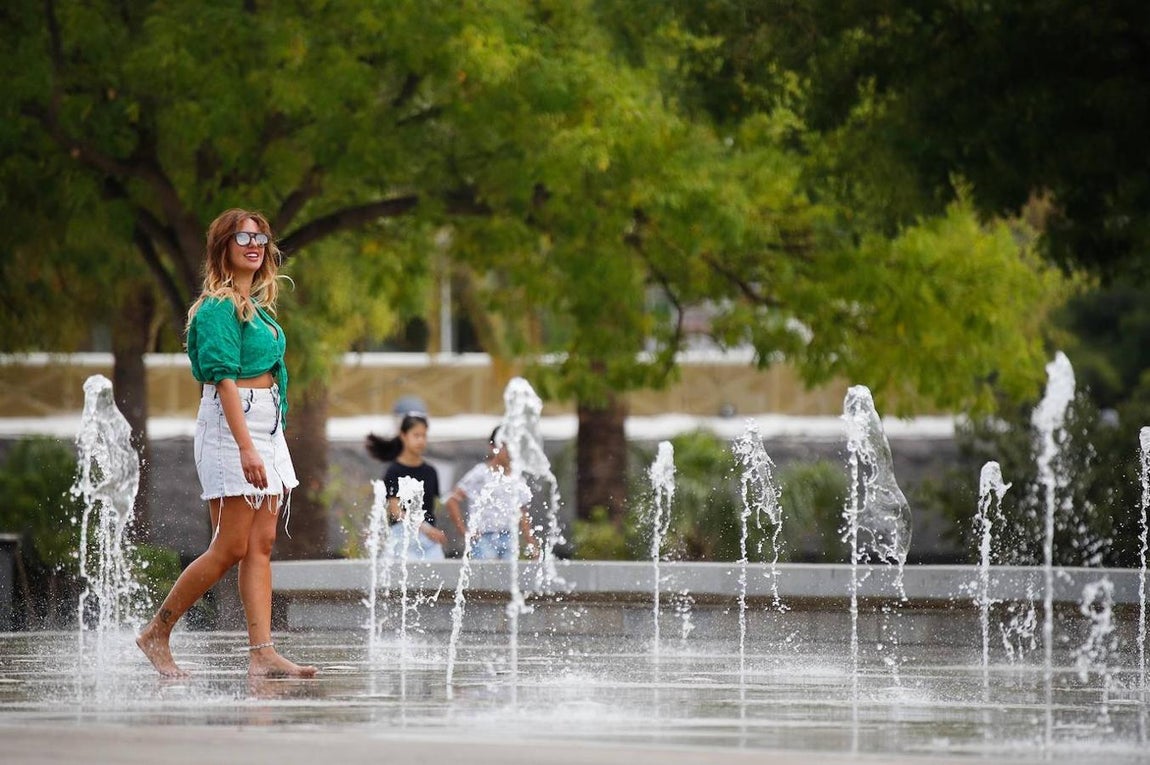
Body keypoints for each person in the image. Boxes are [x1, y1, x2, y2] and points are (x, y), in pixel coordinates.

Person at [136, 209, 316, 679]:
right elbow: (224, 382)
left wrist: (267, 440)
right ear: (223, 247)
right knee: (231, 545)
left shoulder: (255, 307)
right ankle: (157, 631)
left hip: (266, 425)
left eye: (260, 237)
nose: (253, 244)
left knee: (262, 543)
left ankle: (262, 651)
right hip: (231, 426)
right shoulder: (217, 308)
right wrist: (246, 448)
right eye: (243, 237)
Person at [445, 427, 539, 561]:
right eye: (505, 446)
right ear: (493, 446)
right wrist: (464, 531)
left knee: (508, 578)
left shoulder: (517, 477)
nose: (510, 451)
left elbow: (522, 511)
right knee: (487, 578)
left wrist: (530, 541)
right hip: (484, 536)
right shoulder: (481, 473)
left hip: (509, 536)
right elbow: (452, 500)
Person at [366, 412, 447, 559]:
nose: (421, 440)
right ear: (403, 436)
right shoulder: (394, 471)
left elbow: (432, 507)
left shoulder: (431, 471)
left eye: (424, 435)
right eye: (416, 435)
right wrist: (426, 528)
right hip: (402, 537)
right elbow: (395, 511)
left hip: (428, 540)